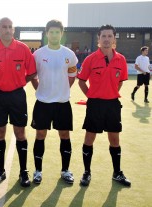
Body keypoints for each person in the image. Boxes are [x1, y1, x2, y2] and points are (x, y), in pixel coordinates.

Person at [0, 17, 36, 187]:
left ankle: (23, 172)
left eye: (10, 27)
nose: (7, 29)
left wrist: (18, 83)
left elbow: (32, 72)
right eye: (4, 27)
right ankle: (0, 171)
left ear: (13, 30)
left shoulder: (23, 48)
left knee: (20, 133)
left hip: (17, 96)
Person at [77, 24, 131, 187]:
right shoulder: (90, 59)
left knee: (114, 138)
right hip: (95, 104)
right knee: (89, 138)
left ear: (114, 39)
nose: (106, 39)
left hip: (113, 104)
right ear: (98, 39)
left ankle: (117, 173)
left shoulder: (120, 59)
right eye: (103, 36)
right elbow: (81, 81)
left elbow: (120, 82)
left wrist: (110, 93)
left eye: (110, 36)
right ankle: (87, 172)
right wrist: (92, 97)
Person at [30, 19, 78, 184]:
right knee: (40, 135)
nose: (54, 35)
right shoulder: (38, 54)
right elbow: (33, 76)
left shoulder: (69, 54)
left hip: (63, 103)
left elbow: (72, 77)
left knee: (64, 135)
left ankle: (65, 170)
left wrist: (62, 91)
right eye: (51, 32)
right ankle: (38, 171)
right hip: (43, 103)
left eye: (57, 32)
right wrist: (39, 89)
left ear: (62, 34)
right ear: (47, 33)